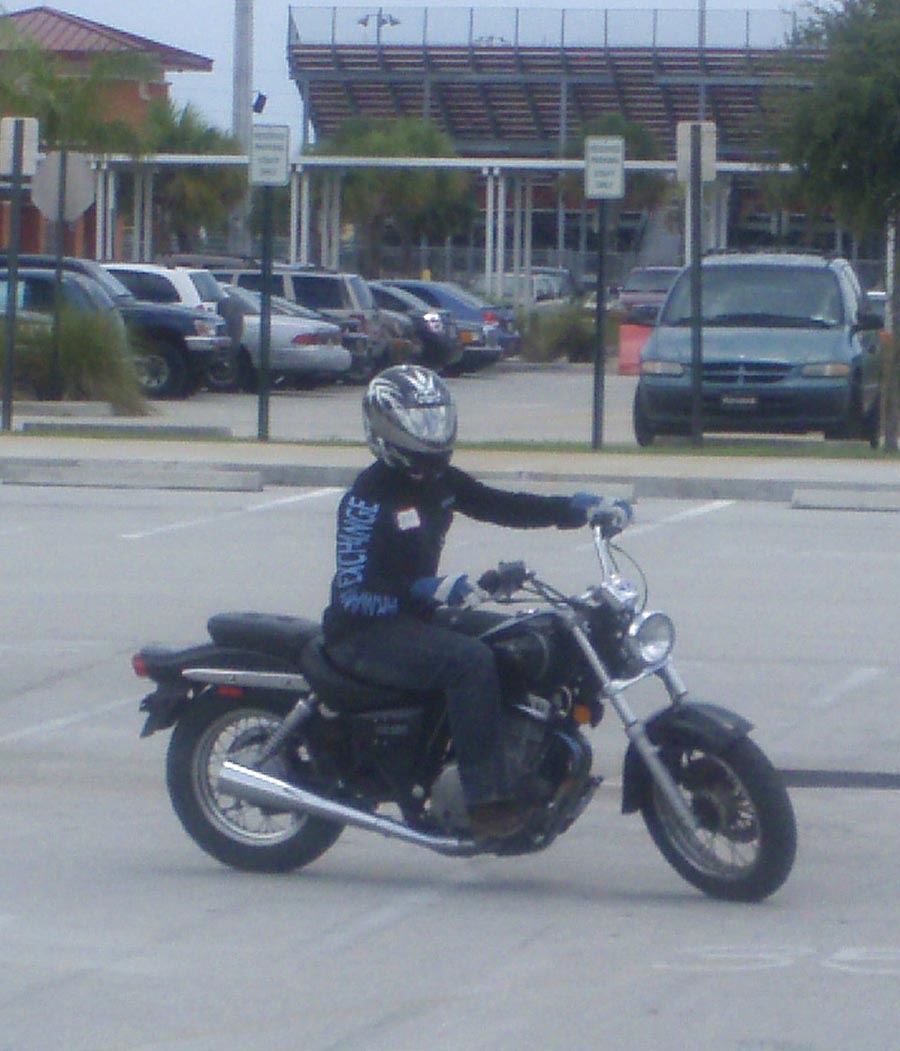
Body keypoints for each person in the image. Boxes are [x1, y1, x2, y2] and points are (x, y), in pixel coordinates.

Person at [322, 364, 632, 843]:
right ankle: (485, 801)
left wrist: (573, 509)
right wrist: (425, 588)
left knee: (529, 640)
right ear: (386, 428)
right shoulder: (367, 498)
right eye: (417, 423)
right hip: (366, 632)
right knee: (469, 663)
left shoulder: (439, 482)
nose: (430, 433)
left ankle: (530, 760)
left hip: (418, 618)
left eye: (434, 420)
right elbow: (354, 591)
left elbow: (498, 504)